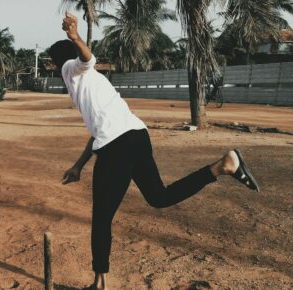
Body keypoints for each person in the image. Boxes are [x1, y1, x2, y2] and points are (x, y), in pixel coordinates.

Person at [52, 12, 260, 290]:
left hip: (117, 147)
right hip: (137, 137)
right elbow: (97, 131)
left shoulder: (71, 70)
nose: (54, 70)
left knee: (102, 217)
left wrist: (76, 37)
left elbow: (87, 59)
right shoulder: (94, 84)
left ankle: (99, 284)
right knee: (159, 197)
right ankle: (222, 165)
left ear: (60, 62)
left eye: (52, 64)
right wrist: (79, 165)